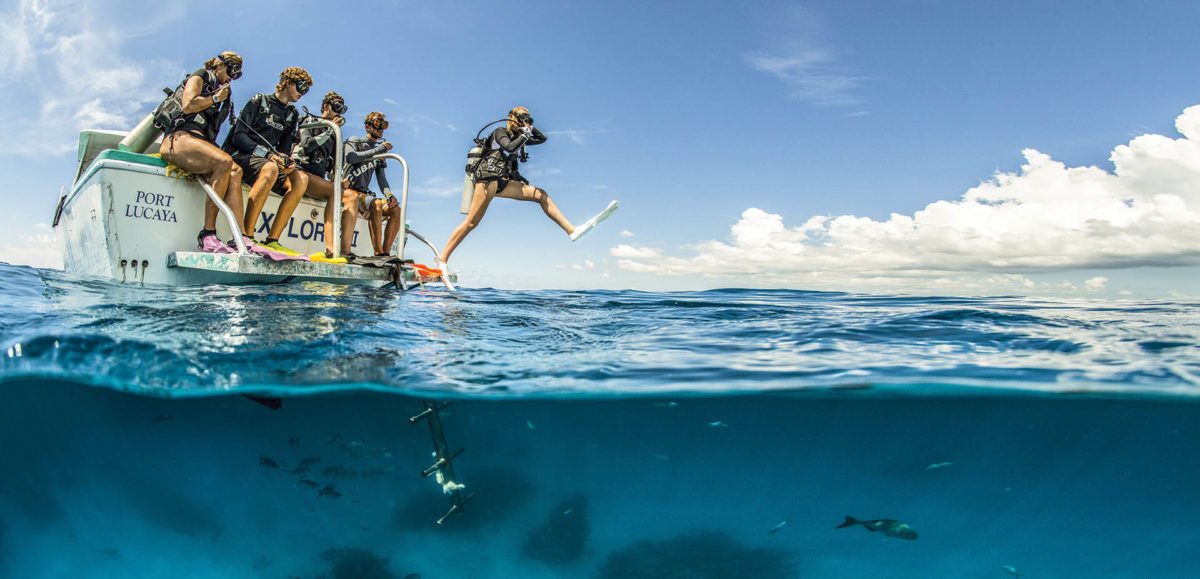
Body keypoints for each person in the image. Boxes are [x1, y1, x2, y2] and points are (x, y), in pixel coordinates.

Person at [438, 106, 618, 269]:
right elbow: (508, 147)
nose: (524, 121)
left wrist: (528, 126)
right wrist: (524, 133)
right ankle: (442, 259)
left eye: (527, 118)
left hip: (503, 182)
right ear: (510, 117)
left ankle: (571, 230)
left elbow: (542, 138)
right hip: (487, 179)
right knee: (471, 222)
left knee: (540, 194)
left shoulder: (521, 136)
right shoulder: (499, 131)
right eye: (521, 117)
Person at [156, 51, 248, 253]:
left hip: (199, 143)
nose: (231, 77)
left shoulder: (225, 94)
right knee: (224, 162)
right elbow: (188, 106)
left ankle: (240, 238)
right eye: (231, 70)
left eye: (237, 74)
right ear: (219, 64)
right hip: (178, 139)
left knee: (236, 171)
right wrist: (215, 98)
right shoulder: (201, 75)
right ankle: (207, 234)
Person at [224, 67, 312, 257]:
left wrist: (287, 162)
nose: (302, 93)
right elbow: (239, 136)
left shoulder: (291, 114)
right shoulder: (259, 101)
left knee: (301, 179)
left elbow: (285, 148)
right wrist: (268, 155)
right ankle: (246, 235)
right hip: (242, 155)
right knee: (271, 168)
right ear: (288, 82)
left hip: (267, 162)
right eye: (301, 87)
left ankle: (272, 240)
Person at [292, 91, 359, 261]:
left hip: (318, 179)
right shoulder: (310, 121)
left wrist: (340, 179)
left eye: (341, 109)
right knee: (334, 191)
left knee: (351, 195)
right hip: (299, 172)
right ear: (326, 107)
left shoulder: (335, 134)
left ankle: (345, 250)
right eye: (336, 108)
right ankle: (330, 248)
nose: (338, 112)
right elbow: (307, 146)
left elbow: (335, 163)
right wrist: (330, 130)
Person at [343, 112, 401, 257]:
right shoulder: (355, 141)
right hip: (348, 190)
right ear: (367, 127)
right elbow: (351, 158)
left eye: (383, 125)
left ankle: (385, 254)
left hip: (363, 194)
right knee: (376, 204)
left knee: (396, 210)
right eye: (377, 124)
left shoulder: (379, 152)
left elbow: (382, 179)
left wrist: (389, 195)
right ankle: (378, 252)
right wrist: (378, 150)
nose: (380, 128)